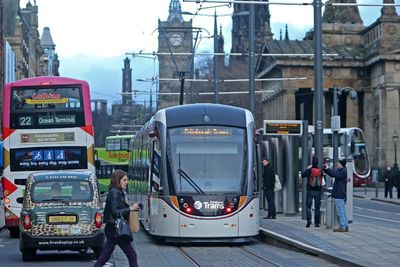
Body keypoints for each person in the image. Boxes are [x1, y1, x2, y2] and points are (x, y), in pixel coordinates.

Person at [94, 170, 140, 267]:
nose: (127, 182)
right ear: (118, 180)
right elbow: (115, 212)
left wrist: (133, 207)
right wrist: (130, 208)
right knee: (132, 255)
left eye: (127, 180)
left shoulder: (117, 192)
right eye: (124, 180)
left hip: (112, 229)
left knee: (104, 257)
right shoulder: (115, 193)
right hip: (117, 230)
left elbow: (119, 209)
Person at [323, 159, 349, 232]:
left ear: (342, 164)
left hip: (339, 194)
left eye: (338, 163)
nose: (337, 164)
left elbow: (334, 174)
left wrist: (327, 169)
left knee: (340, 211)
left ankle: (343, 226)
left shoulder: (342, 172)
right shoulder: (342, 171)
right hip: (340, 193)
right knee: (342, 211)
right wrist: (326, 169)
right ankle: (345, 225)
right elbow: (333, 173)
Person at [301, 156, 323, 228]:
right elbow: (322, 180)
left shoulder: (310, 170)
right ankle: (317, 223)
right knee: (317, 207)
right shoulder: (320, 170)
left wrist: (308, 168)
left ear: (312, 163)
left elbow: (302, 175)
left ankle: (309, 221)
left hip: (310, 190)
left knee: (308, 206)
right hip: (318, 191)